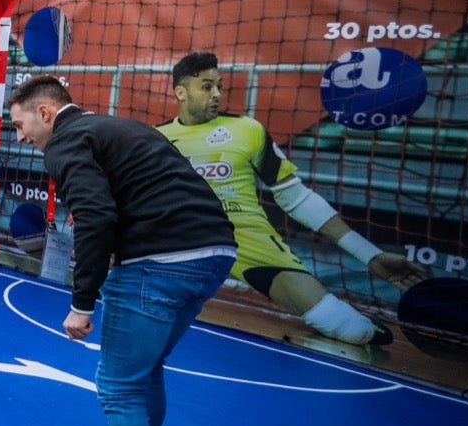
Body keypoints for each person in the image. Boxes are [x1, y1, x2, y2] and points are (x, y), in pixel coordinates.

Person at [8, 74, 237, 426]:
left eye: (21, 125)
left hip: (159, 262)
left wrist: (82, 302)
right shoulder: (119, 128)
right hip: (214, 254)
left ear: (45, 113)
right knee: (146, 372)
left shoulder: (66, 141)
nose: (20, 137)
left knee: (119, 388)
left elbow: (96, 215)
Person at [158, 52, 423, 346]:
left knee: (352, 331)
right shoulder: (156, 138)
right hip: (181, 240)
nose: (217, 94)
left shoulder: (247, 130)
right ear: (181, 92)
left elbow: (296, 198)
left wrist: (369, 254)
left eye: (220, 86)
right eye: (207, 87)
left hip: (243, 240)